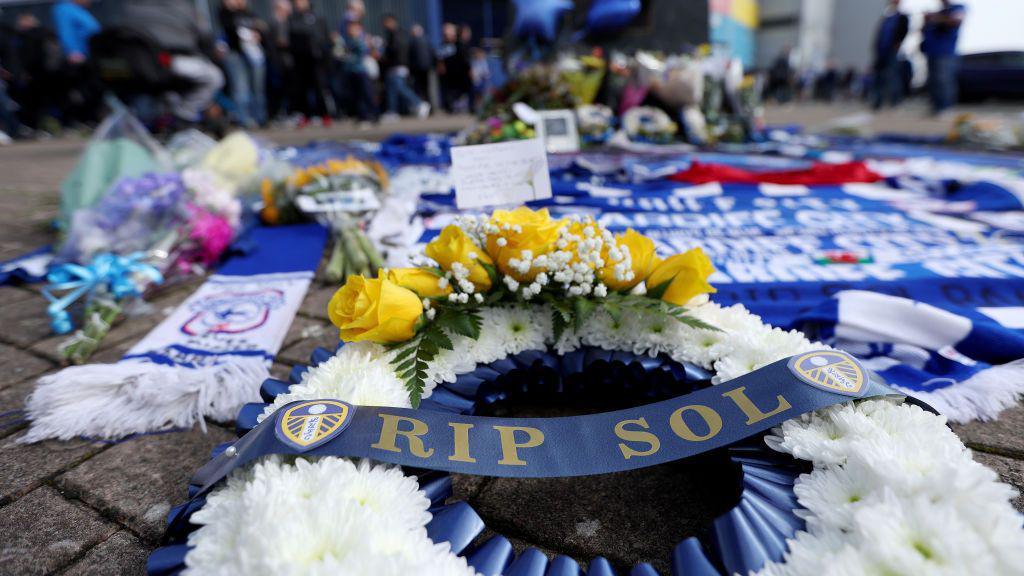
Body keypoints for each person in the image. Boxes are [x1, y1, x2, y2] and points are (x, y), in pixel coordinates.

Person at [121, 0, 225, 124]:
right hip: (169, 61)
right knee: (214, 76)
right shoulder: (182, 6)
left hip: (137, 65)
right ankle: (183, 116)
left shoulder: (129, 7)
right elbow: (204, 37)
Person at [218, 0, 267, 127]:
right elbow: (228, 27)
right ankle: (243, 119)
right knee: (241, 88)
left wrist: (258, 34)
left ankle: (260, 117)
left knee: (257, 88)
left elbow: (261, 27)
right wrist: (231, 8)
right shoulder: (226, 13)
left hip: (253, 53)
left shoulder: (249, 13)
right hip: (235, 54)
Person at [52, 0, 100, 125]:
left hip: (90, 56)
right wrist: (73, 51)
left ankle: (91, 118)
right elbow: (65, 31)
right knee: (82, 90)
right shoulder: (64, 8)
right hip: (78, 58)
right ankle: (83, 120)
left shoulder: (79, 10)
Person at [288, 0, 332, 125]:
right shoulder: (292, 19)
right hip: (300, 60)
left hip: (316, 59)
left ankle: (325, 115)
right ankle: (305, 116)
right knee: (302, 89)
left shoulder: (317, 18)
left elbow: (324, 38)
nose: (298, 4)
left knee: (320, 88)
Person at [380, 13, 428, 121]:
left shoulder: (396, 35)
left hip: (397, 65)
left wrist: (384, 56)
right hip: (398, 65)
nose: (384, 25)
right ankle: (392, 111)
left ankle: (419, 103)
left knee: (400, 87)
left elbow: (395, 51)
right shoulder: (398, 34)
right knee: (392, 89)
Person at [922, 0, 966, 114]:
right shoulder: (939, 12)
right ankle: (936, 107)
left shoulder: (958, 8)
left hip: (945, 53)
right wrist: (926, 20)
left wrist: (935, 18)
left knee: (944, 80)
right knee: (933, 81)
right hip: (931, 51)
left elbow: (956, 21)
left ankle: (946, 107)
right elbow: (924, 30)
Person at [872, 0, 909, 109]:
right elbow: (879, 34)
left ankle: (894, 101)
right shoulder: (886, 17)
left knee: (892, 76)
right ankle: (877, 102)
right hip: (881, 52)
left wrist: (897, 44)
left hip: (892, 51)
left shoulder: (902, 17)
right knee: (878, 77)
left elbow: (903, 31)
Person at [342, 18, 375, 125]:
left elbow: (360, 56)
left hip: (360, 71)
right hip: (352, 71)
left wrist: (346, 57)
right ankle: (362, 116)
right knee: (357, 96)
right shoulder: (349, 40)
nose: (350, 30)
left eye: (353, 28)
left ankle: (372, 115)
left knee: (365, 94)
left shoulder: (359, 41)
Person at [265, 0, 293, 121]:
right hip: (276, 61)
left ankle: (287, 112)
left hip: (287, 61)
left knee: (288, 88)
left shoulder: (288, 22)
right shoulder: (272, 22)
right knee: (277, 89)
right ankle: (277, 113)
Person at [407, 23, 434, 106]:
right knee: (427, 88)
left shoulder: (413, 42)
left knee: (418, 88)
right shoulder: (427, 41)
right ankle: (430, 106)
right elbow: (432, 54)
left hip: (417, 68)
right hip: (426, 67)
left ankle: (421, 105)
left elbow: (410, 56)